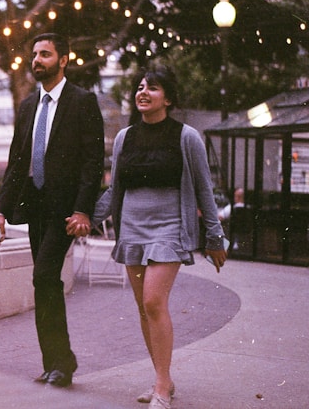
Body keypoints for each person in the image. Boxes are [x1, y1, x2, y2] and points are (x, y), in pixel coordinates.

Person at [91, 65, 226, 409]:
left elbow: (204, 190)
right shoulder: (124, 138)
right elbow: (115, 189)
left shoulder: (186, 137)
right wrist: (86, 217)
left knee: (153, 301)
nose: (143, 92)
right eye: (140, 87)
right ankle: (162, 379)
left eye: (152, 87)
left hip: (169, 228)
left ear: (168, 98)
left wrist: (215, 237)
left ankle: (162, 387)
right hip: (132, 229)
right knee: (144, 308)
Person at [0, 33, 104, 388]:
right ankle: (55, 363)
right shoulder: (28, 106)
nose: (37, 60)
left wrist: (83, 210)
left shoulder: (82, 101)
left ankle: (62, 362)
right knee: (44, 280)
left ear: (63, 59)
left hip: (65, 211)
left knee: (43, 275)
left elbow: (93, 162)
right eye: (35, 54)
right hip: (35, 205)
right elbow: (16, 161)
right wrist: (0, 211)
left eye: (45, 54)